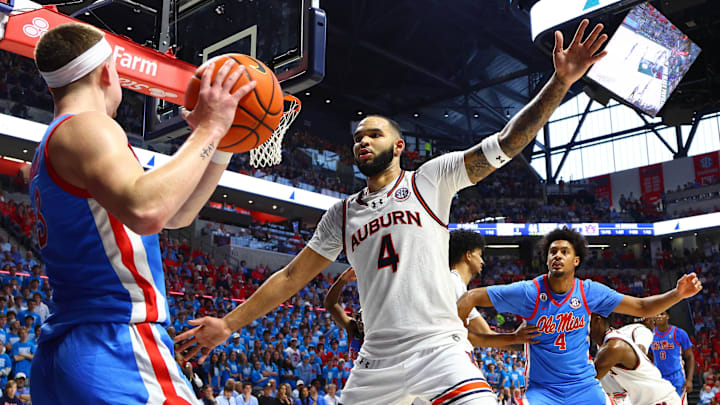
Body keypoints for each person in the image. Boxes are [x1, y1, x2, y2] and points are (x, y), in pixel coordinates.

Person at [177, 19, 611, 405]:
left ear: (398, 146)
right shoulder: (341, 215)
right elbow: (291, 277)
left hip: (438, 348)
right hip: (375, 362)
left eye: (375, 134)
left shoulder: (431, 180)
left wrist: (560, 82)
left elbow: (507, 142)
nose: (362, 141)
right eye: (358, 137)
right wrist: (229, 323)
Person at [29, 21, 255, 404]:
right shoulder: (89, 128)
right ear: (106, 72)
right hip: (115, 340)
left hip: (72, 345)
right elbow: (148, 210)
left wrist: (221, 141)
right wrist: (211, 126)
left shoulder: (57, 142)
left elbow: (175, 213)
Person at [458, 227, 702, 404]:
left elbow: (640, 307)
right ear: (546, 259)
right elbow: (471, 297)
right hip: (543, 391)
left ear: (576, 260)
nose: (557, 255)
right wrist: (456, 336)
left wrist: (677, 294)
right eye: (553, 251)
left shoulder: (589, 291)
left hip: (585, 387)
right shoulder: (529, 292)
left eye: (564, 251)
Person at [449, 230, 539, 348]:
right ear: (468, 255)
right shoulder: (452, 282)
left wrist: (520, 342)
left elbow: (486, 334)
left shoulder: (461, 291)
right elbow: (457, 335)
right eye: (479, 255)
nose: (482, 261)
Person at [590, 313, 681, 405]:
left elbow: (641, 349)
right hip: (644, 398)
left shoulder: (617, 344)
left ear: (597, 320)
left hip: (659, 399)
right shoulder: (607, 342)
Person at [651, 311, 695, 399]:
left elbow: (690, 357)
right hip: (658, 378)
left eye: (662, 314)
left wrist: (689, 379)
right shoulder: (650, 334)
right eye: (657, 314)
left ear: (667, 316)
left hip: (677, 377)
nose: (659, 316)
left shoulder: (679, 333)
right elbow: (648, 356)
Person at [323, 268, 364, 362]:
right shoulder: (353, 328)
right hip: (357, 373)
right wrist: (342, 280)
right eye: (359, 318)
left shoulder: (379, 330)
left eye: (364, 318)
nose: (361, 322)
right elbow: (330, 304)